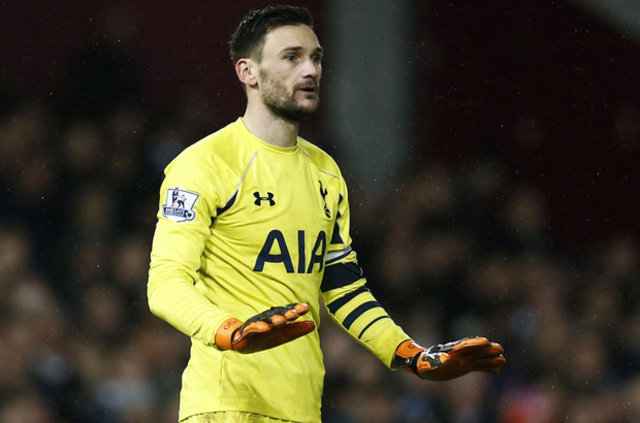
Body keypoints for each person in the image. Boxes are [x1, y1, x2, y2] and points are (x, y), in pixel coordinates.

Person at [147, 5, 506, 423]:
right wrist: (230, 331)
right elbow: (165, 283)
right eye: (291, 57)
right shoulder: (204, 164)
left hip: (303, 409)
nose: (311, 70)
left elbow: (343, 290)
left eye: (315, 57)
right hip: (227, 406)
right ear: (248, 72)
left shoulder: (325, 172)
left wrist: (410, 355)